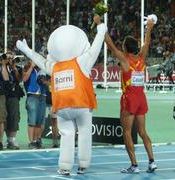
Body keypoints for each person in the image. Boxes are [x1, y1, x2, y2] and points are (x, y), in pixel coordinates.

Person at [16, 15, 107, 175]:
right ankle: (83, 164)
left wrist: (26, 50)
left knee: (67, 134)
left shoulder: (55, 66)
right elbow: (96, 47)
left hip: (62, 106)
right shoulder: (82, 61)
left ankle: (65, 166)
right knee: (85, 132)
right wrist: (101, 29)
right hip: (82, 104)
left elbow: (39, 60)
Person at [104, 18, 157, 173]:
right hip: (141, 98)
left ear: (126, 48)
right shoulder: (141, 58)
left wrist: (101, 28)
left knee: (127, 132)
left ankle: (134, 166)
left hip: (130, 98)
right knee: (143, 132)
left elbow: (111, 46)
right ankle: (152, 162)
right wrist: (149, 28)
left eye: (123, 45)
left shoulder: (125, 60)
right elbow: (146, 44)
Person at [23, 61, 47, 149]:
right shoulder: (28, 68)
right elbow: (24, 79)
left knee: (39, 122)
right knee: (32, 121)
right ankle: (31, 142)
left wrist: (45, 81)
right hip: (32, 96)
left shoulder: (44, 71)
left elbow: (49, 83)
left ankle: (36, 141)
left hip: (42, 96)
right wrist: (31, 67)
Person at [4, 51, 24, 150]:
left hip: (14, 96)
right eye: (8, 58)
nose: (10, 60)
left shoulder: (17, 68)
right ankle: (8, 139)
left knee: (14, 117)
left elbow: (20, 79)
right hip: (3, 95)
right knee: (5, 118)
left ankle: (12, 139)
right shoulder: (1, 67)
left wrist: (14, 68)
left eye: (11, 58)